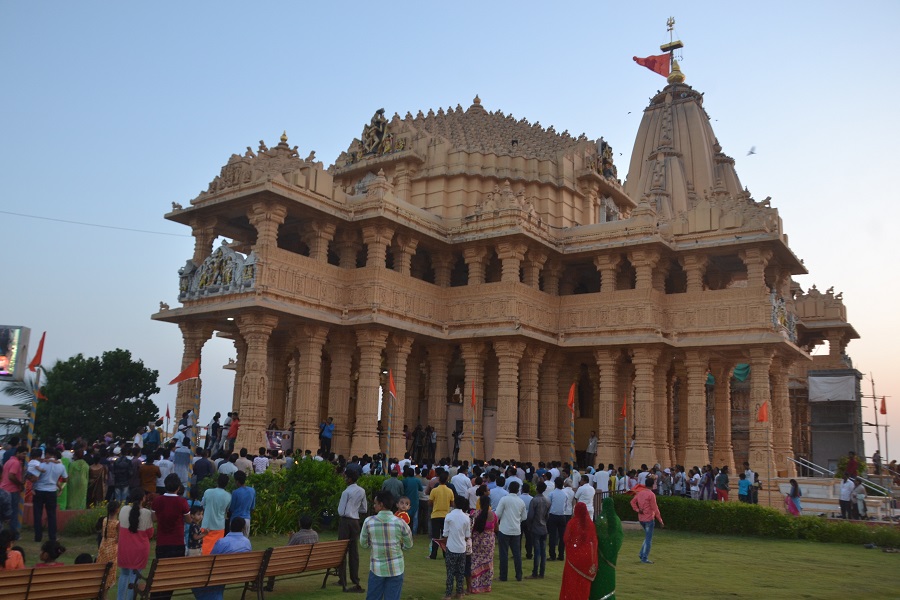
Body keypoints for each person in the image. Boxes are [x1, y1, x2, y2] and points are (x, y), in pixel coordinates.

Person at [360, 490, 413, 600]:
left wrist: (374, 544)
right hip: (396, 567)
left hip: (376, 568)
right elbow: (409, 544)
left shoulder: (368, 521)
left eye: (375, 503)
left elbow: (363, 544)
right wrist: (400, 546)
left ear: (381, 504)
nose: (374, 506)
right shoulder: (400, 522)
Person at [193, 517, 253, 600]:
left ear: (230, 525)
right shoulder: (247, 542)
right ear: (243, 528)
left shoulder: (222, 542)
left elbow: (211, 560)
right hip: (241, 572)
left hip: (222, 573)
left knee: (198, 578)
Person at [152, 472, 190, 587]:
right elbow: (188, 520)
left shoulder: (158, 500)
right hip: (177, 542)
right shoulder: (182, 502)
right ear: (178, 488)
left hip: (162, 541)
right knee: (173, 575)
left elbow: (153, 518)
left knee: (161, 573)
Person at [117, 489, 154, 600]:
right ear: (143, 498)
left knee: (124, 574)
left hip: (124, 547)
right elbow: (150, 534)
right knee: (135, 576)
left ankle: (120, 598)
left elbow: (119, 527)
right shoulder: (147, 513)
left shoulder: (123, 509)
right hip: (140, 549)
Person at [559, 502, 597, 599]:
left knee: (572, 583)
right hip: (587, 559)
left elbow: (566, 538)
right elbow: (594, 541)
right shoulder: (591, 524)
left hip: (573, 558)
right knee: (583, 585)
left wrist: (573, 546)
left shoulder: (572, 523)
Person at [29, 447, 67, 543]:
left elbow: (34, 478)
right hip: (51, 491)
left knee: (37, 514)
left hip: (39, 491)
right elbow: (66, 478)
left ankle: (38, 537)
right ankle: (52, 537)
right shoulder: (61, 466)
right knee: (52, 515)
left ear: (47, 454)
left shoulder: (41, 464)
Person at [338, 470, 367, 593]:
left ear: (350, 479)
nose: (345, 479)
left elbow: (341, 510)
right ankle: (354, 578)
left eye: (346, 477)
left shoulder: (346, 492)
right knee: (354, 551)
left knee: (342, 550)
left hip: (346, 521)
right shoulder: (361, 491)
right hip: (355, 521)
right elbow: (364, 508)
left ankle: (342, 578)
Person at [590, 497, 623, 600]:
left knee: (599, 579)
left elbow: (596, 536)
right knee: (608, 578)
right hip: (611, 556)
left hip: (600, 555)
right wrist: (612, 548)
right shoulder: (616, 519)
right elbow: (618, 537)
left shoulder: (601, 519)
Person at [495, 480, 527, 582]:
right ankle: (519, 575)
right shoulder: (521, 501)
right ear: (518, 490)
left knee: (503, 554)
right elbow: (524, 517)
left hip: (504, 529)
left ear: (509, 489)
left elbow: (498, 514)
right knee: (517, 554)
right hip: (516, 530)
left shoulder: (504, 499)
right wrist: (517, 520)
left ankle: (503, 576)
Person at [441, 495, 470, 600]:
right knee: (460, 572)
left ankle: (448, 594)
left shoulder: (449, 516)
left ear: (455, 503)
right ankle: (459, 593)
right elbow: (467, 536)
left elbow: (445, 535)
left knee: (450, 572)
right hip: (462, 548)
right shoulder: (466, 517)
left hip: (451, 547)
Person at [630, 475, 664, 564]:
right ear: (653, 485)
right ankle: (644, 558)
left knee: (647, 537)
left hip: (641, 518)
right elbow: (655, 508)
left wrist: (637, 510)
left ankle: (642, 554)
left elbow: (632, 502)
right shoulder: (651, 495)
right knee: (648, 539)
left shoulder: (640, 493)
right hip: (649, 519)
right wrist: (660, 520)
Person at [469, 493, 497, 593]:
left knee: (475, 562)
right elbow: (496, 528)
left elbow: (470, 528)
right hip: (489, 542)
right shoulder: (493, 515)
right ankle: (486, 586)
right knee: (488, 563)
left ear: (480, 503)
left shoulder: (474, 514)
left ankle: (475, 586)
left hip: (477, 542)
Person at [201, 474, 232, 555]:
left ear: (217, 481)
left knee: (204, 548)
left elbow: (203, 505)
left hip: (206, 524)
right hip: (219, 526)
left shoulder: (207, 492)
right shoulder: (228, 496)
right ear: (227, 484)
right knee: (217, 548)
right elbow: (226, 510)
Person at [0, 445, 27, 539]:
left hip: (4, 488)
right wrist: (20, 484)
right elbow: (11, 476)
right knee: (14, 513)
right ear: (18, 453)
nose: (24, 456)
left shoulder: (9, 461)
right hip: (12, 490)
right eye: (23, 454)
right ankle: (14, 535)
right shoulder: (15, 463)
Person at [527, 480, 551, 580]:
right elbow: (547, 516)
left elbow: (530, 516)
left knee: (537, 551)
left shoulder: (534, 500)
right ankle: (542, 572)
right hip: (543, 527)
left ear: (537, 489)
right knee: (543, 551)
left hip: (536, 527)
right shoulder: (547, 501)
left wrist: (529, 526)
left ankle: (535, 572)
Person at [97, 500, 120, 593]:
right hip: (112, 547)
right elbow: (119, 538)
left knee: (101, 569)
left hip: (104, 545)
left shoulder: (104, 520)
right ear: (117, 510)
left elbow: (103, 533)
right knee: (110, 571)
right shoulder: (117, 523)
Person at [548, 477, 568, 562]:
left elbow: (549, 504)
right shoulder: (565, 494)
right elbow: (566, 506)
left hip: (553, 515)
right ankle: (561, 555)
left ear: (555, 484)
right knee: (562, 536)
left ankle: (552, 555)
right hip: (562, 516)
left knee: (552, 536)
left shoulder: (552, 494)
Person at [230, 470, 256, 536]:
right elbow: (252, 507)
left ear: (237, 481)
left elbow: (232, 508)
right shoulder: (252, 490)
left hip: (236, 519)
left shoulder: (235, 492)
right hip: (247, 519)